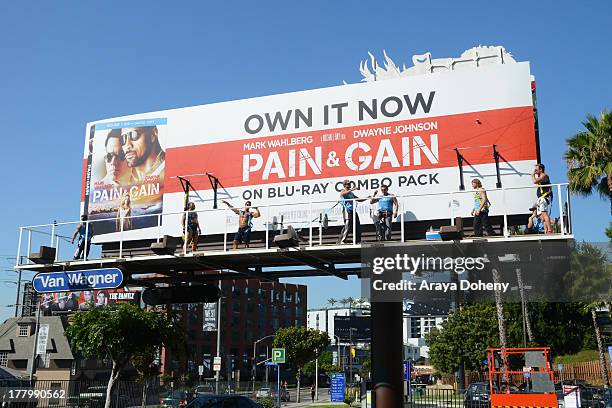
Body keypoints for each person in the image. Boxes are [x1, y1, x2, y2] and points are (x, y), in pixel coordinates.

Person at [338, 180, 368, 244]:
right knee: (348, 225)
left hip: (353, 210)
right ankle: (342, 240)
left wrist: (367, 198)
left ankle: (358, 240)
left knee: (357, 225)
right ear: (344, 185)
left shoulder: (351, 193)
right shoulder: (343, 191)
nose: (350, 185)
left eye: (350, 184)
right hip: (347, 210)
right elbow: (343, 194)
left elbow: (358, 199)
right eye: (348, 184)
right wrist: (352, 189)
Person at [531, 163, 553, 234]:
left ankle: (549, 230)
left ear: (541, 169)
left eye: (536, 169)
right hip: (541, 198)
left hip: (545, 198)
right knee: (542, 216)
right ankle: (546, 230)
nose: (535, 171)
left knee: (544, 214)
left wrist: (532, 175)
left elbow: (534, 181)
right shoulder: (540, 176)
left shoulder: (544, 175)